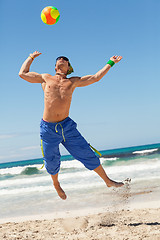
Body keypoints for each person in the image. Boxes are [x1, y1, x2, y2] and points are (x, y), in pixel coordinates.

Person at [19, 51, 124, 200]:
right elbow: (22, 74)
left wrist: (111, 62)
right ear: (55, 66)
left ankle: (107, 181)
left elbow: (95, 77)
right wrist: (30, 57)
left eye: (65, 60)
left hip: (67, 127)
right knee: (51, 161)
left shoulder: (73, 81)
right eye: (59, 59)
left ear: (69, 67)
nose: (62, 59)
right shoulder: (45, 78)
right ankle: (56, 184)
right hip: (48, 129)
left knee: (87, 153)